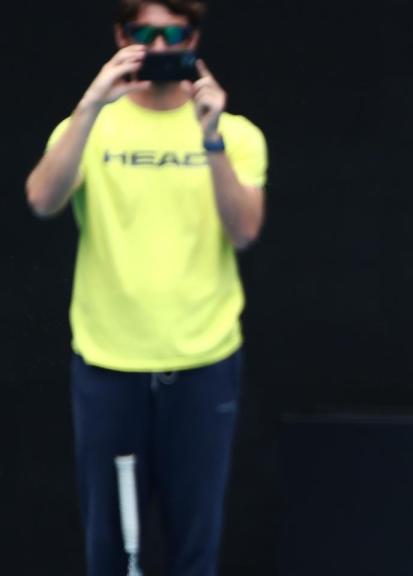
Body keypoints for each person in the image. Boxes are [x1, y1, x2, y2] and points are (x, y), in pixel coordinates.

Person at [24, 1, 266, 574]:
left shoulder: (235, 133)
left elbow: (245, 230)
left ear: (194, 36)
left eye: (173, 32)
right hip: (109, 362)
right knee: (109, 550)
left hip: (204, 362)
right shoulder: (88, 126)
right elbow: (42, 199)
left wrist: (210, 139)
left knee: (195, 548)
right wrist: (90, 105)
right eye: (144, 32)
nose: (159, 46)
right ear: (121, 35)